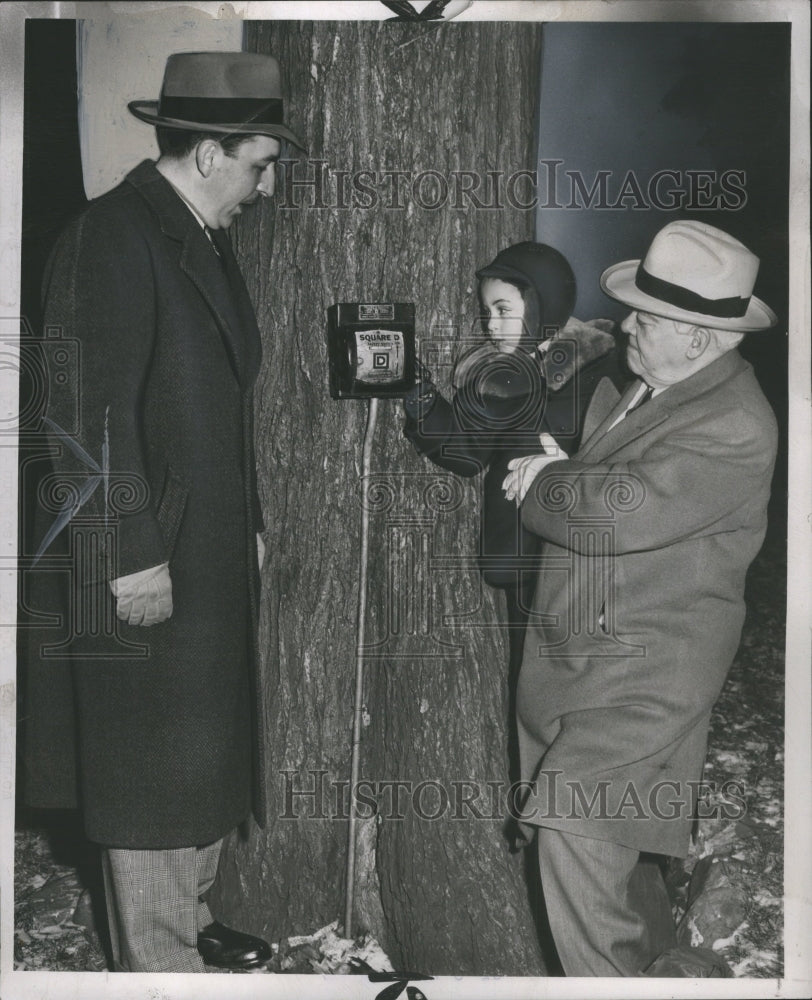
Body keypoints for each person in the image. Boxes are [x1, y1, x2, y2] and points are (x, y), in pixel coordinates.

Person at [22, 51, 305, 973]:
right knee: (150, 769)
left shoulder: (197, 233)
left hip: (206, 546)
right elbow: (75, 416)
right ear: (213, 153)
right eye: (261, 164)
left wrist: (250, 522)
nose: (265, 187)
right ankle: (159, 963)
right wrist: (128, 555)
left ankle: (186, 916)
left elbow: (219, 403)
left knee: (203, 745)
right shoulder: (111, 236)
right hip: (143, 553)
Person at [502, 220, 778, 976]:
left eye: (647, 321)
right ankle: (668, 974)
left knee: (573, 829)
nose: (626, 325)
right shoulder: (651, 389)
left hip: (646, 679)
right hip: (600, 667)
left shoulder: (734, 422)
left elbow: (617, 509)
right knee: (621, 852)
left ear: (699, 339)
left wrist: (543, 482)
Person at [402, 241, 626, 786]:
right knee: (530, 691)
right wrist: (419, 398)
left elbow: (620, 464)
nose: (493, 323)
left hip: (571, 568)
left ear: (544, 306)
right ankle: (536, 804)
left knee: (569, 695)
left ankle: (577, 810)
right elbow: (466, 452)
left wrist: (569, 465)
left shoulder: (595, 374)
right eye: (487, 312)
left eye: (505, 310)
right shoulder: (505, 373)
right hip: (520, 564)